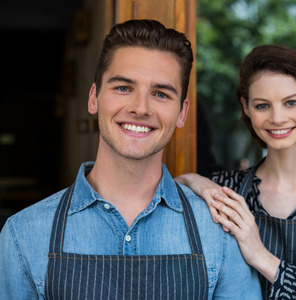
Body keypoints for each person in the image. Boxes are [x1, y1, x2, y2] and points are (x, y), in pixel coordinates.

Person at [0, 19, 261, 299]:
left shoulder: (219, 232)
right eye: (123, 88)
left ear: (182, 113)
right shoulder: (23, 234)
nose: (140, 108)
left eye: (161, 94)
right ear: (94, 98)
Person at [176, 44, 296, 299]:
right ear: (246, 108)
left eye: (291, 103)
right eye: (262, 106)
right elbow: (167, 194)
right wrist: (194, 181)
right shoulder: (226, 188)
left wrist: (262, 258)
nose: (277, 118)